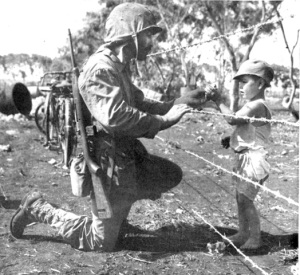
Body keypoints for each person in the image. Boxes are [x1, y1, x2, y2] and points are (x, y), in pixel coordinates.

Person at [10, 2, 207, 252]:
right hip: (105, 165)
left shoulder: (118, 66)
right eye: (148, 35)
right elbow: (115, 117)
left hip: (122, 156)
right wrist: (165, 121)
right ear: (131, 34)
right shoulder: (100, 69)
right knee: (99, 242)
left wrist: (175, 103)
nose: (151, 43)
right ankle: (38, 209)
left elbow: (139, 101)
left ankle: (115, 217)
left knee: (167, 174)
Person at [206, 59, 274, 249]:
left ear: (260, 84)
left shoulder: (258, 105)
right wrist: (232, 139)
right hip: (244, 158)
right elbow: (246, 129)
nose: (241, 87)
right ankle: (244, 232)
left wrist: (218, 100)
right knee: (240, 198)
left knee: (246, 200)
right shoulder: (252, 105)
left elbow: (233, 119)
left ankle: (255, 238)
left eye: (245, 82)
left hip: (254, 161)